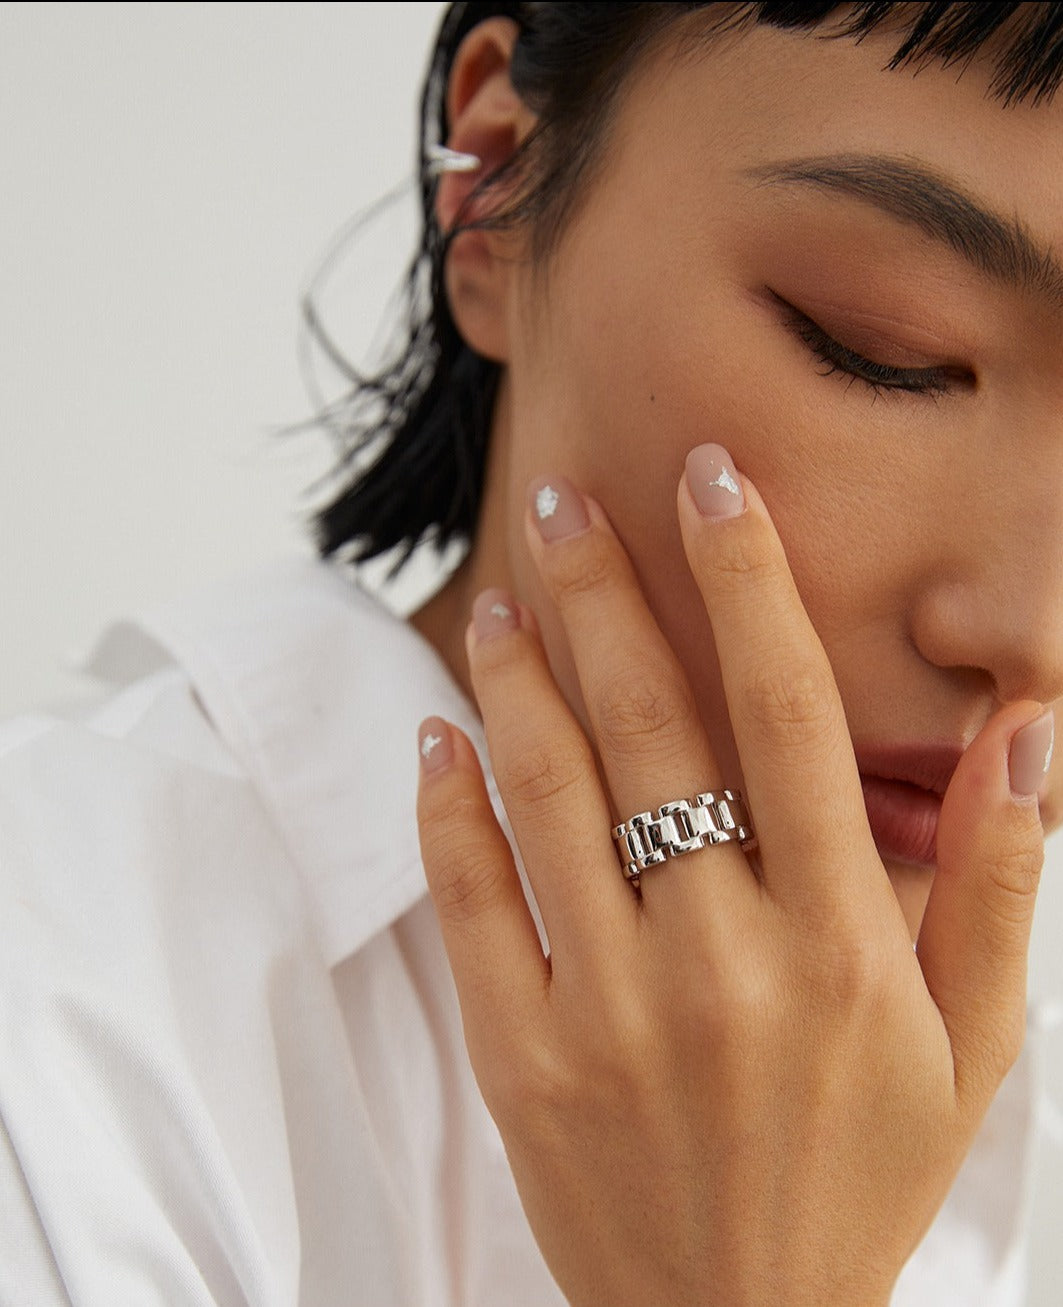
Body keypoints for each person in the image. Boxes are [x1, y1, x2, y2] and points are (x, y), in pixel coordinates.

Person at [1, 2, 1061, 1304]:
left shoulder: (983, 1044)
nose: (1033, 635)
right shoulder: (61, 1004)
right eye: (883, 348)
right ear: (498, 186)